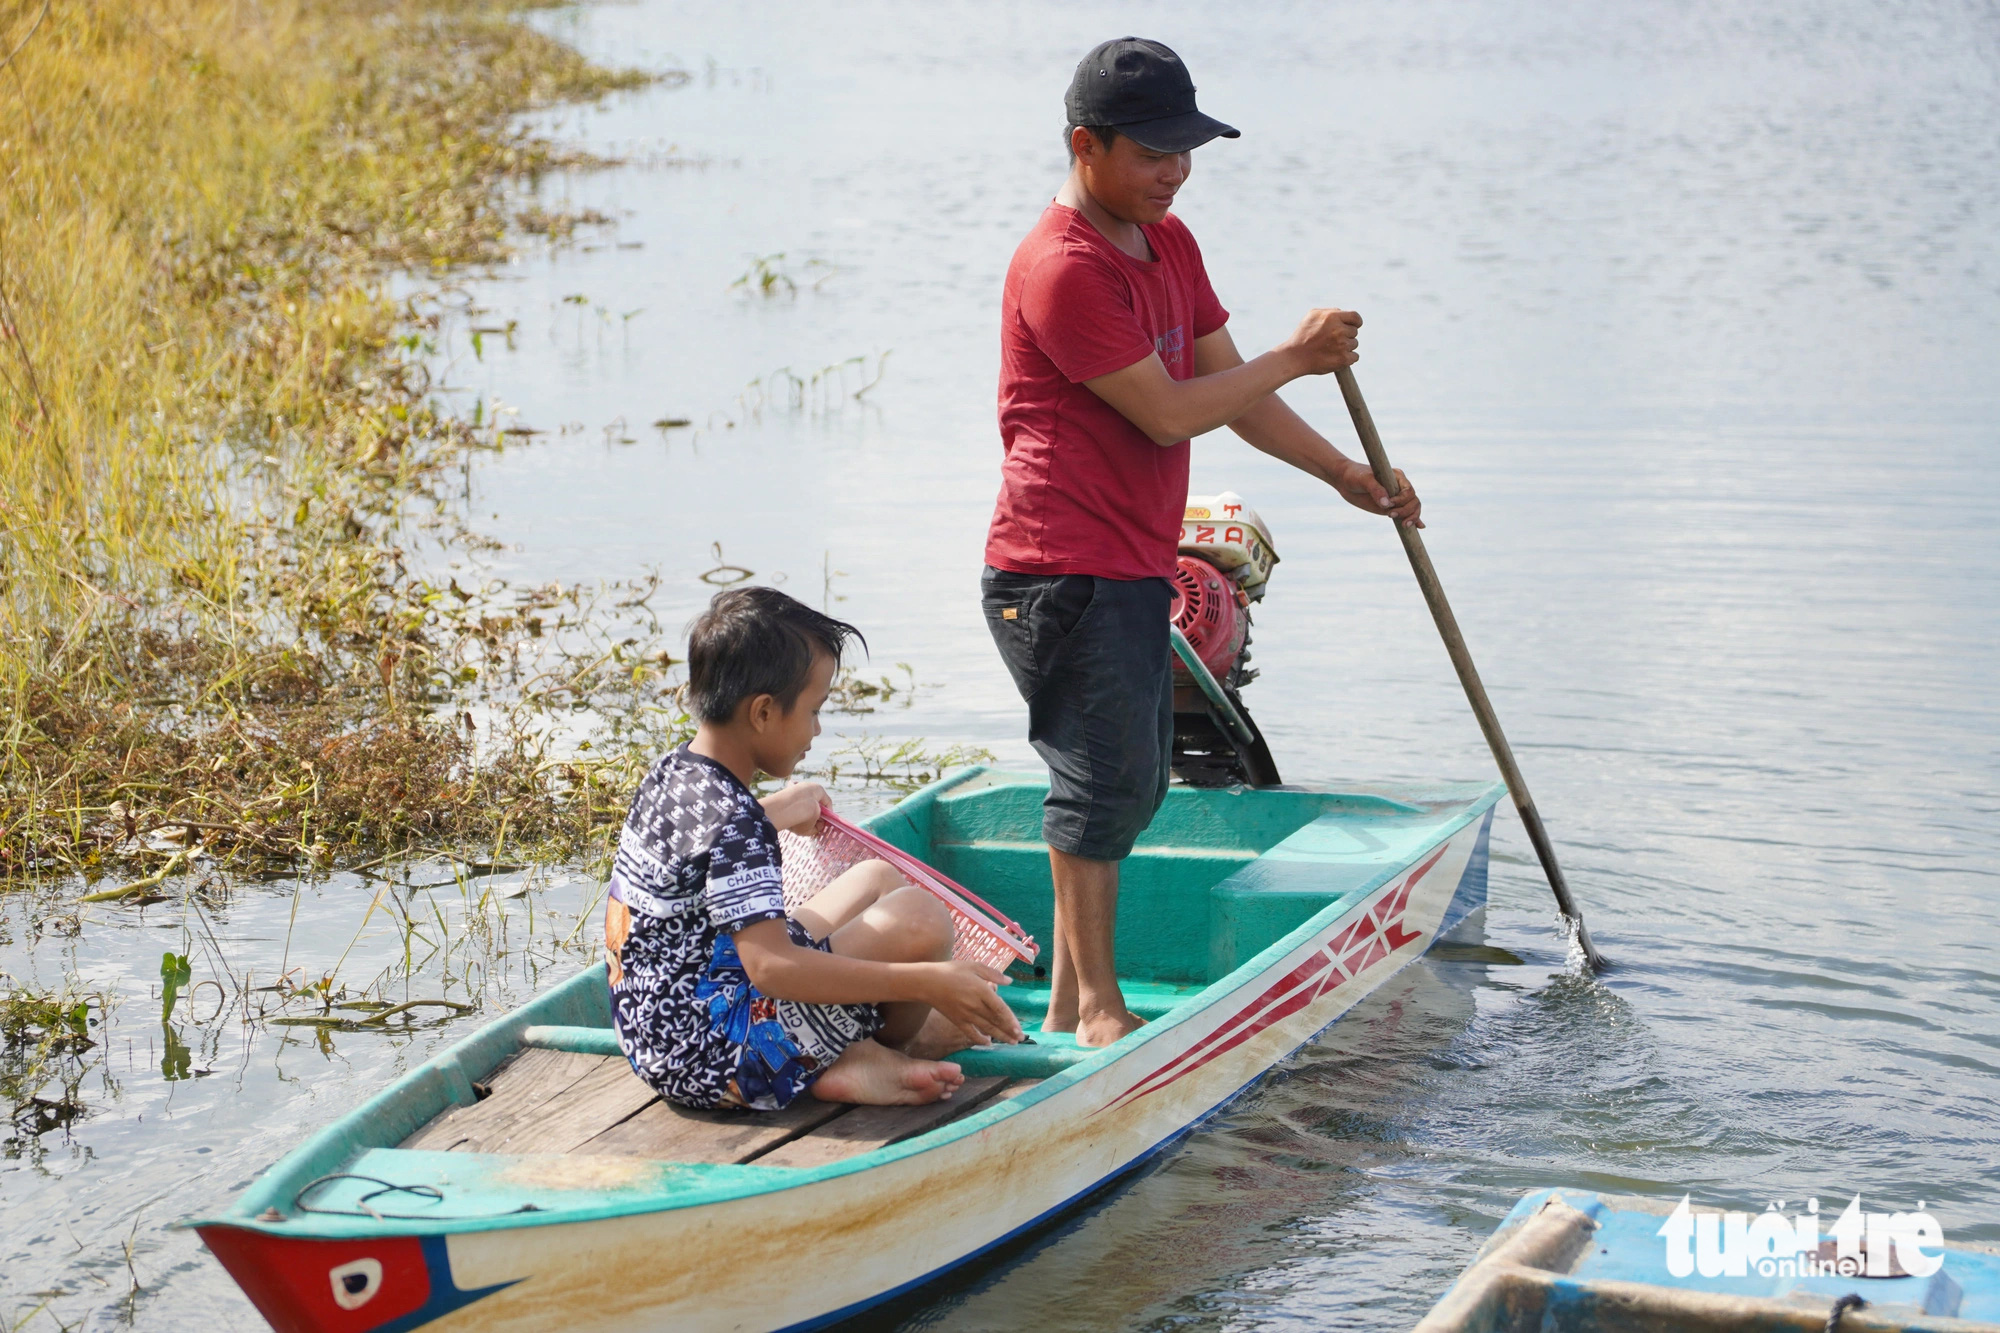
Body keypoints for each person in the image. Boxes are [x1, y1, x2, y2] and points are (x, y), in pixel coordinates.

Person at [981, 38, 1426, 1048]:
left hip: (1127, 561)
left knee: (1132, 781)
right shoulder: (1061, 267)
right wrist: (1295, 356)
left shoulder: (1166, 244)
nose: (1174, 171)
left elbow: (1233, 398)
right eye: (1151, 153)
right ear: (1083, 146)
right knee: (1101, 782)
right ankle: (1092, 1005)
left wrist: (1344, 475)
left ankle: (1066, 998)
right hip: (1056, 567)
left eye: (1185, 150)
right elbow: (1169, 413)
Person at [605, 586, 1022, 1110]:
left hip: (660, 1042)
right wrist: (928, 981)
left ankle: (856, 1047)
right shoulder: (737, 825)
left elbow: (704, 850)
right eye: (814, 709)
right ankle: (871, 1052)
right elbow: (773, 970)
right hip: (723, 1061)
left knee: (876, 878)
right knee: (920, 920)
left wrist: (777, 808)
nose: (817, 729)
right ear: (762, 713)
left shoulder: (674, 772)